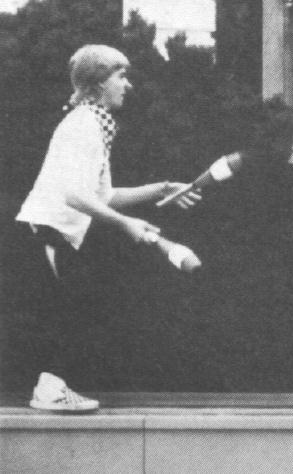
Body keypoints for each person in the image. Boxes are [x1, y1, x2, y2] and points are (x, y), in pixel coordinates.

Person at [15, 44, 200, 412]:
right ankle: (49, 391)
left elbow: (104, 195)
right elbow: (73, 195)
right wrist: (126, 224)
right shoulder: (83, 125)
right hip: (44, 232)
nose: (128, 85)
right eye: (121, 76)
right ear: (100, 83)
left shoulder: (96, 124)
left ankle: (51, 389)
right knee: (73, 309)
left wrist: (162, 188)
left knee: (76, 308)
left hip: (54, 233)